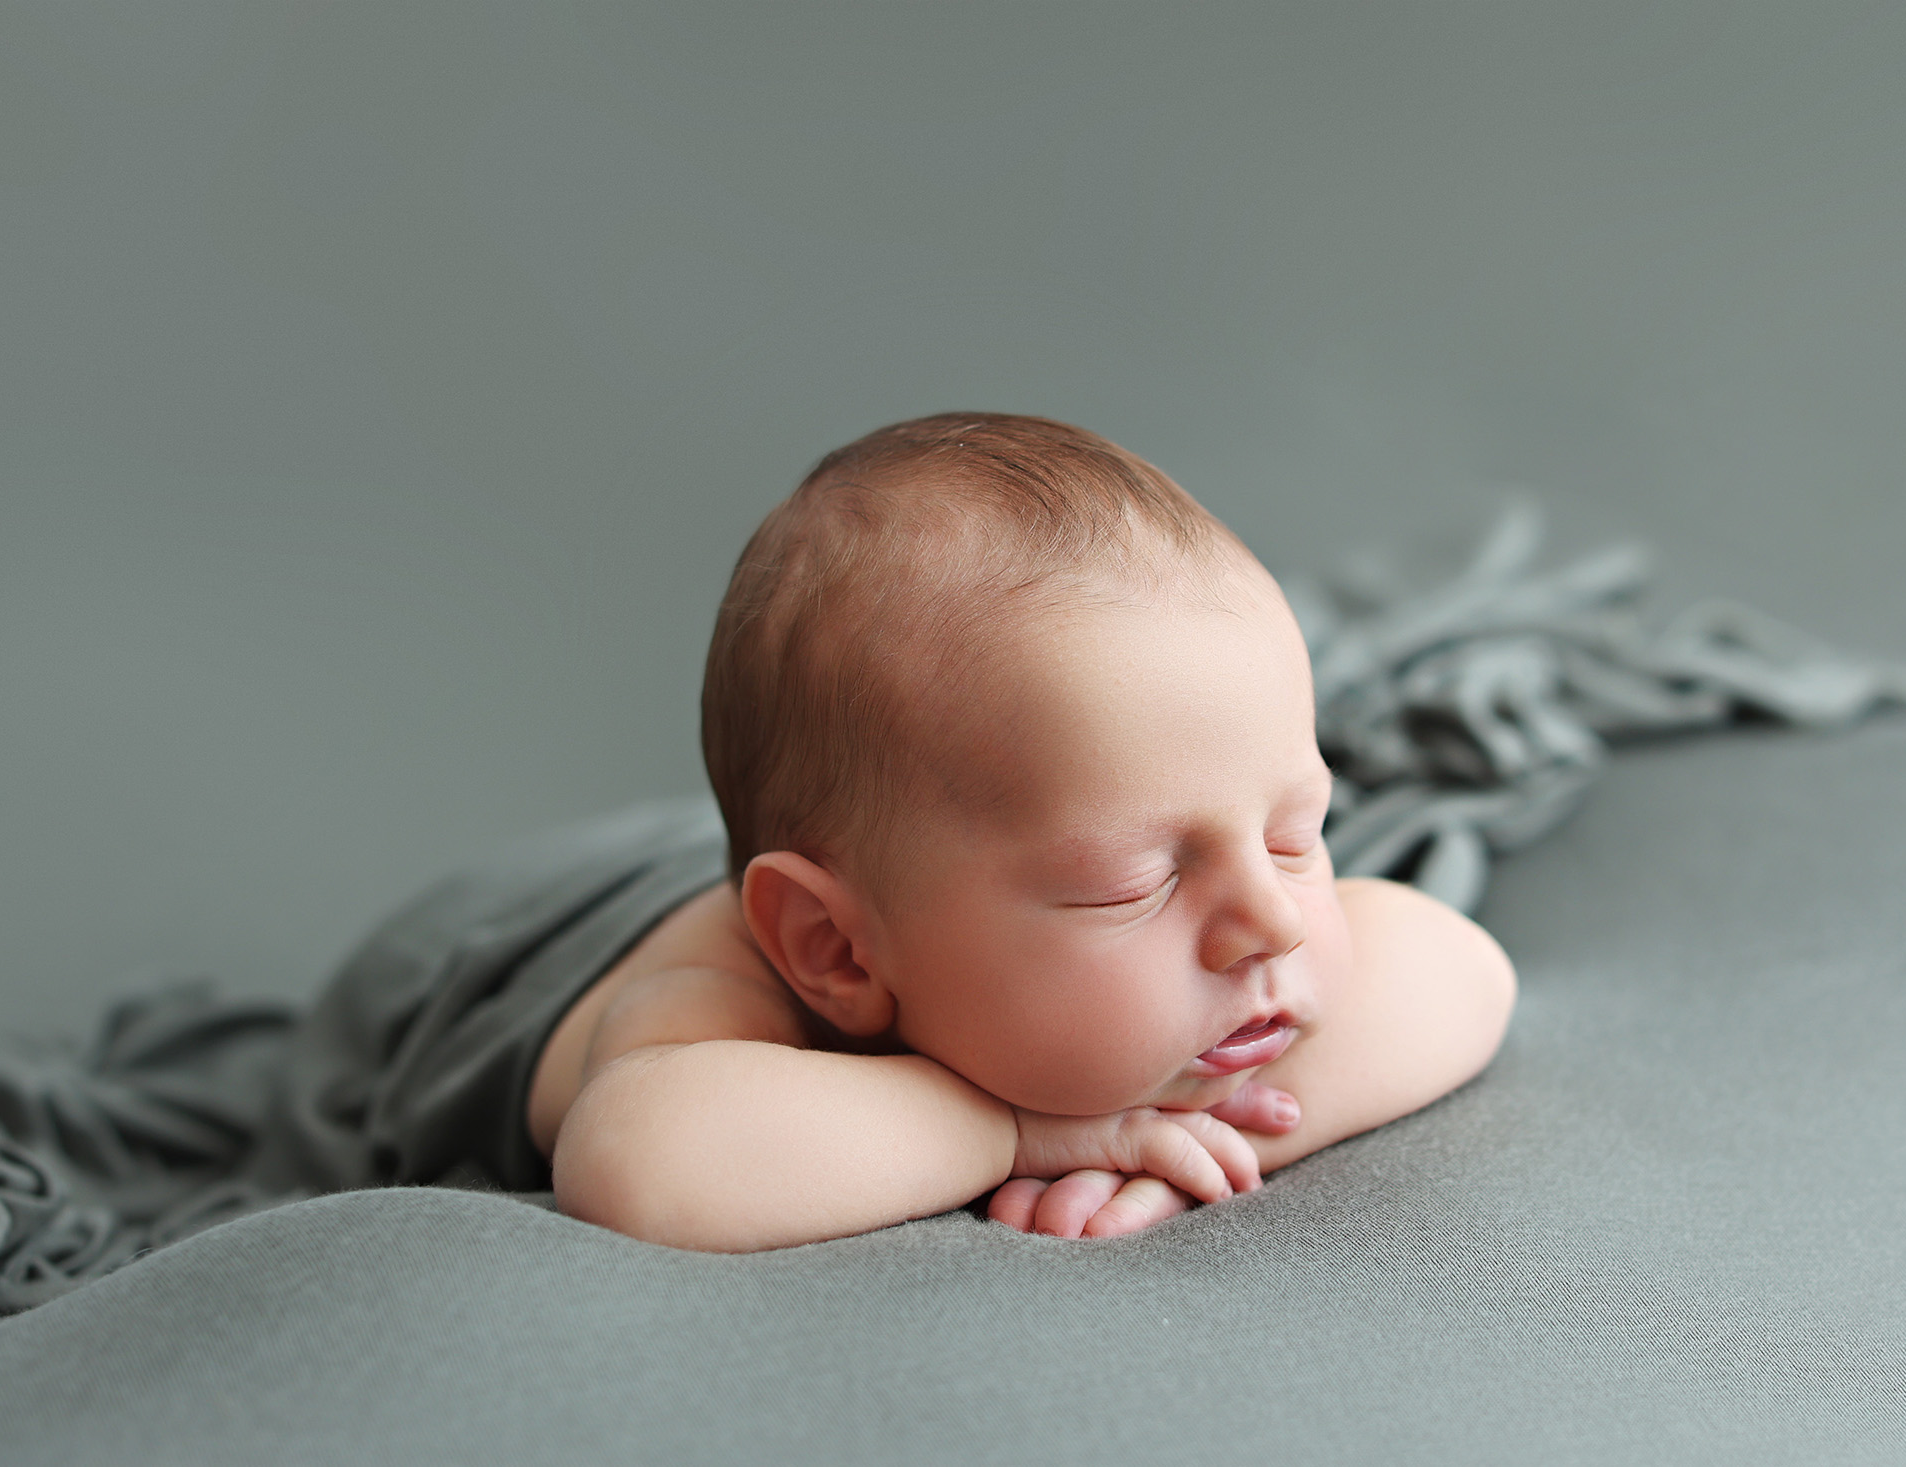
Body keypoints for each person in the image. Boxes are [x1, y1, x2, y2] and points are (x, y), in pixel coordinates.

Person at [528, 412, 1517, 1250]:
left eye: (1297, 832)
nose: (1272, 920)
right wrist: (1021, 1132)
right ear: (838, 949)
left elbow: (1461, 970)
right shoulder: (722, 992)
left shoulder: (1231, 907)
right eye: (1135, 883)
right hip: (535, 943)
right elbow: (638, 1162)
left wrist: (1204, 1145)